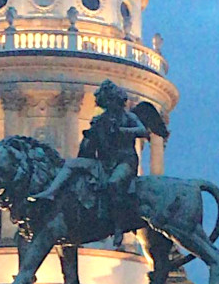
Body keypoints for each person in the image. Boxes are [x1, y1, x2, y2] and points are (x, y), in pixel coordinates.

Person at [34, 80, 152, 243]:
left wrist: (121, 131)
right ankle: (50, 192)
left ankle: (119, 226)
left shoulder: (128, 117)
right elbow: (89, 145)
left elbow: (143, 130)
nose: (109, 105)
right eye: (106, 102)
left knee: (114, 183)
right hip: (103, 162)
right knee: (71, 163)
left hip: (125, 160)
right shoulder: (99, 120)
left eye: (110, 100)